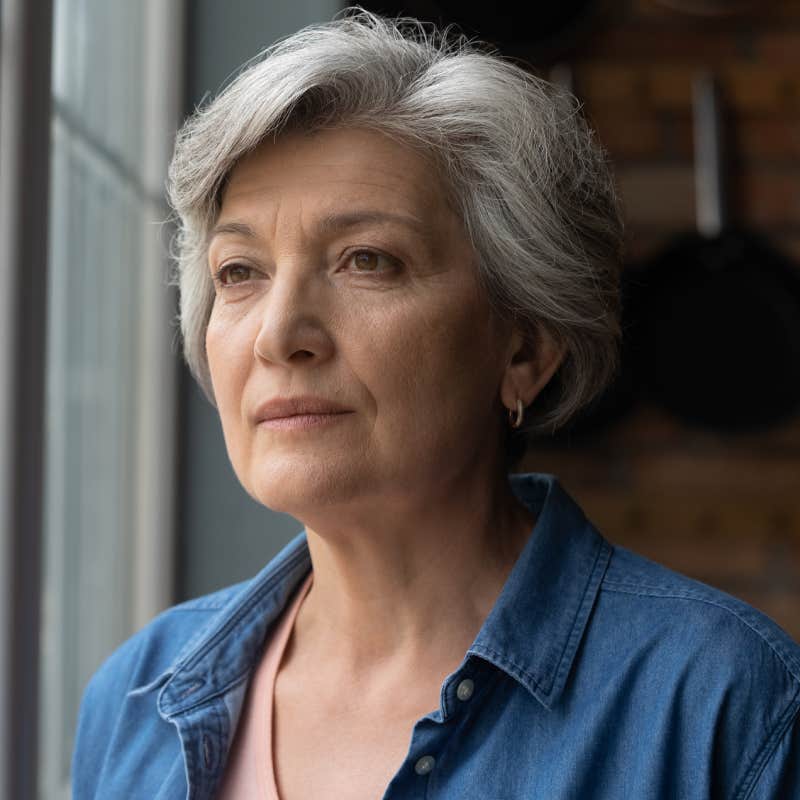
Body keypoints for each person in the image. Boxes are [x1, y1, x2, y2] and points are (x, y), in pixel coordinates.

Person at [72, 9, 800, 799]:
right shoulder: (136, 695)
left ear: (522, 348)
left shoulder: (724, 705)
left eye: (367, 260)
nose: (280, 335)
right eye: (239, 272)